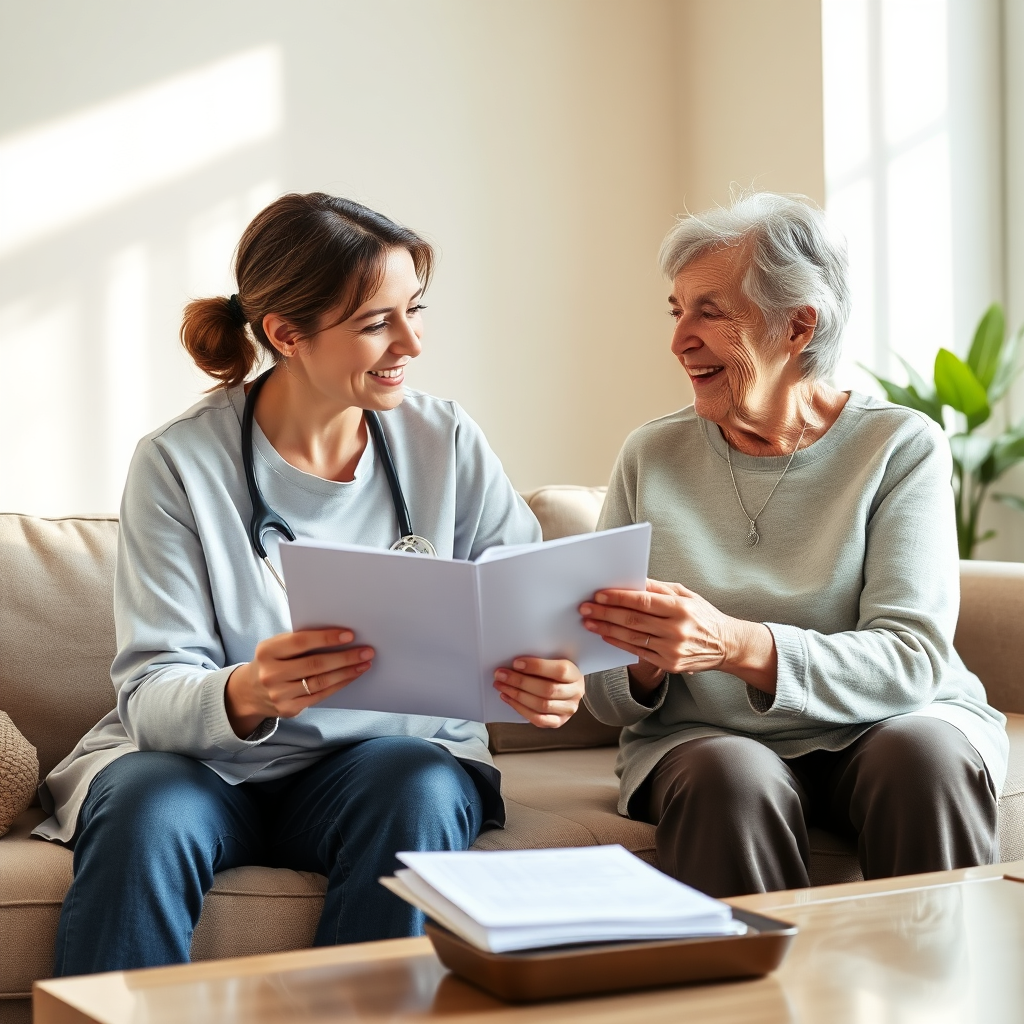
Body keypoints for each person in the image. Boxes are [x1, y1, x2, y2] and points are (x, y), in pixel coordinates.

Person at [37, 193, 585, 975]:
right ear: (285, 335)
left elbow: (525, 613)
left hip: (385, 761)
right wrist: (252, 690)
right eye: (375, 323)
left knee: (419, 785)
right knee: (145, 808)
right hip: (208, 768)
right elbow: (152, 691)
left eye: (415, 310)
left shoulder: (447, 441)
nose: (411, 343)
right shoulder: (179, 464)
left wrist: (546, 676)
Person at [580, 192, 1007, 898]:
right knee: (729, 781)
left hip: (886, 723)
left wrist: (734, 644)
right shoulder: (650, 456)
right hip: (710, 742)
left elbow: (910, 661)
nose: (679, 337)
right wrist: (645, 664)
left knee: (923, 758)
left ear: (797, 325)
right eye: (676, 309)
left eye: (708, 311)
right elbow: (604, 694)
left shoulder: (898, 446)